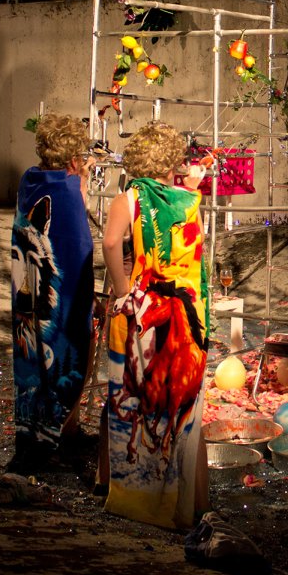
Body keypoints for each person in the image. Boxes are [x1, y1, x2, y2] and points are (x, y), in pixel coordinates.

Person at [101, 122, 211, 529]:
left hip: (145, 313)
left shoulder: (127, 200)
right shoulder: (189, 200)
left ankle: (138, 500)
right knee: (184, 413)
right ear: (173, 162)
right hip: (189, 316)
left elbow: (112, 243)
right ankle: (185, 502)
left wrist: (122, 290)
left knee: (134, 399)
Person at [10, 114, 95, 472]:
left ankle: (51, 433)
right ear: (75, 158)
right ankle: (55, 438)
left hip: (25, 295)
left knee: (33, 365)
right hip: (57, 301)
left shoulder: (30, 179)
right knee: (70, 356)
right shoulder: (67, 192)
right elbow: (78, 252)